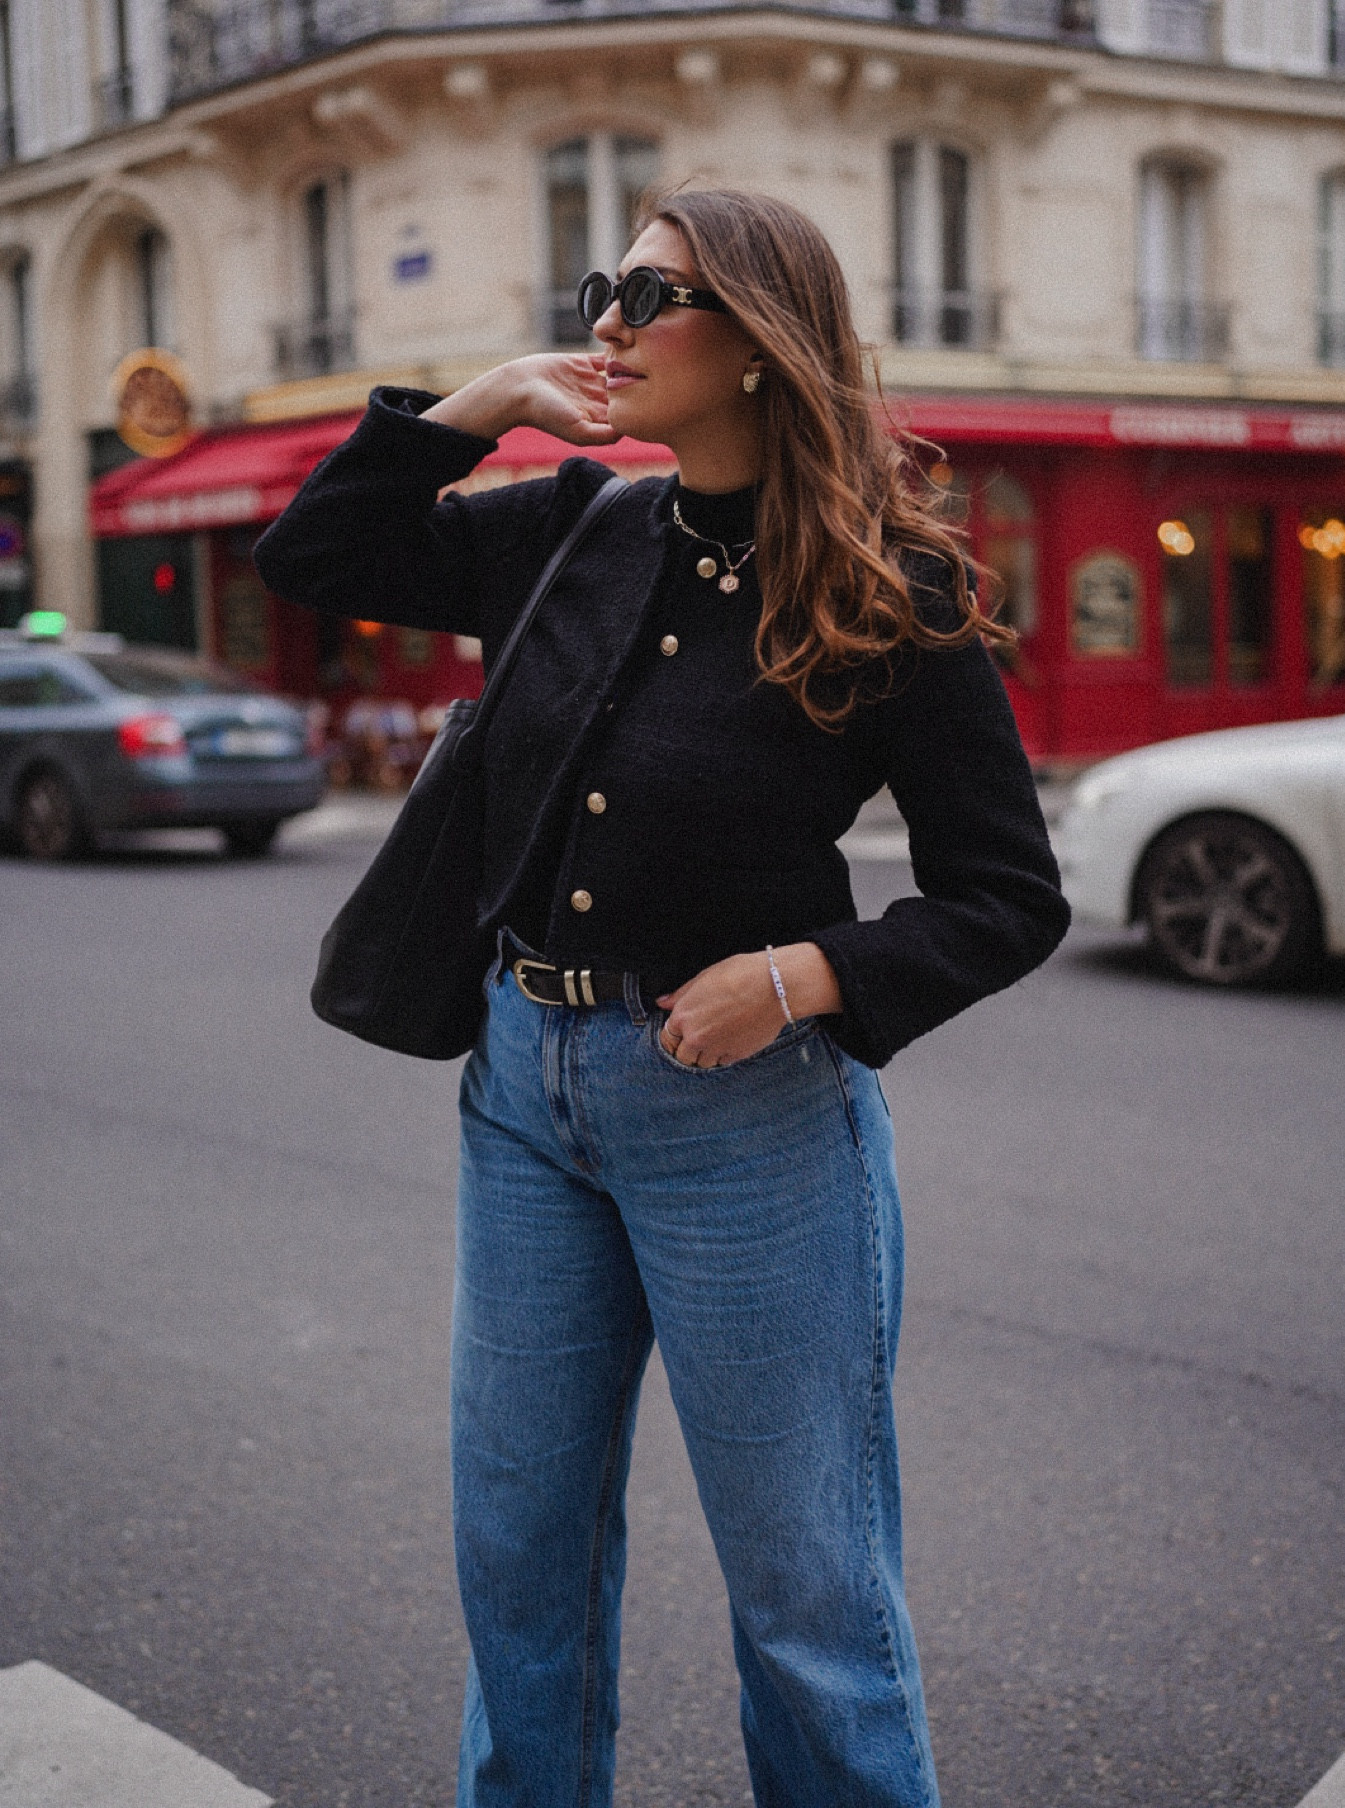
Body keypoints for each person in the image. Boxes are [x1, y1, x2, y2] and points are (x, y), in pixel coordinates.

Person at [255, 187, 1069, 1808]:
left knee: (806, 1594)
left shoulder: (885, 586)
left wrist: (807, 974)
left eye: (653, 295)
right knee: (519, 1549)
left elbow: (1007, 898)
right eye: (599, 288)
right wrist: (473, 405)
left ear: (763, 345)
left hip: (747, 1128)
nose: (609, 322)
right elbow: (315, 552)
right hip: (520, 1089)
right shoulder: (564, 521)